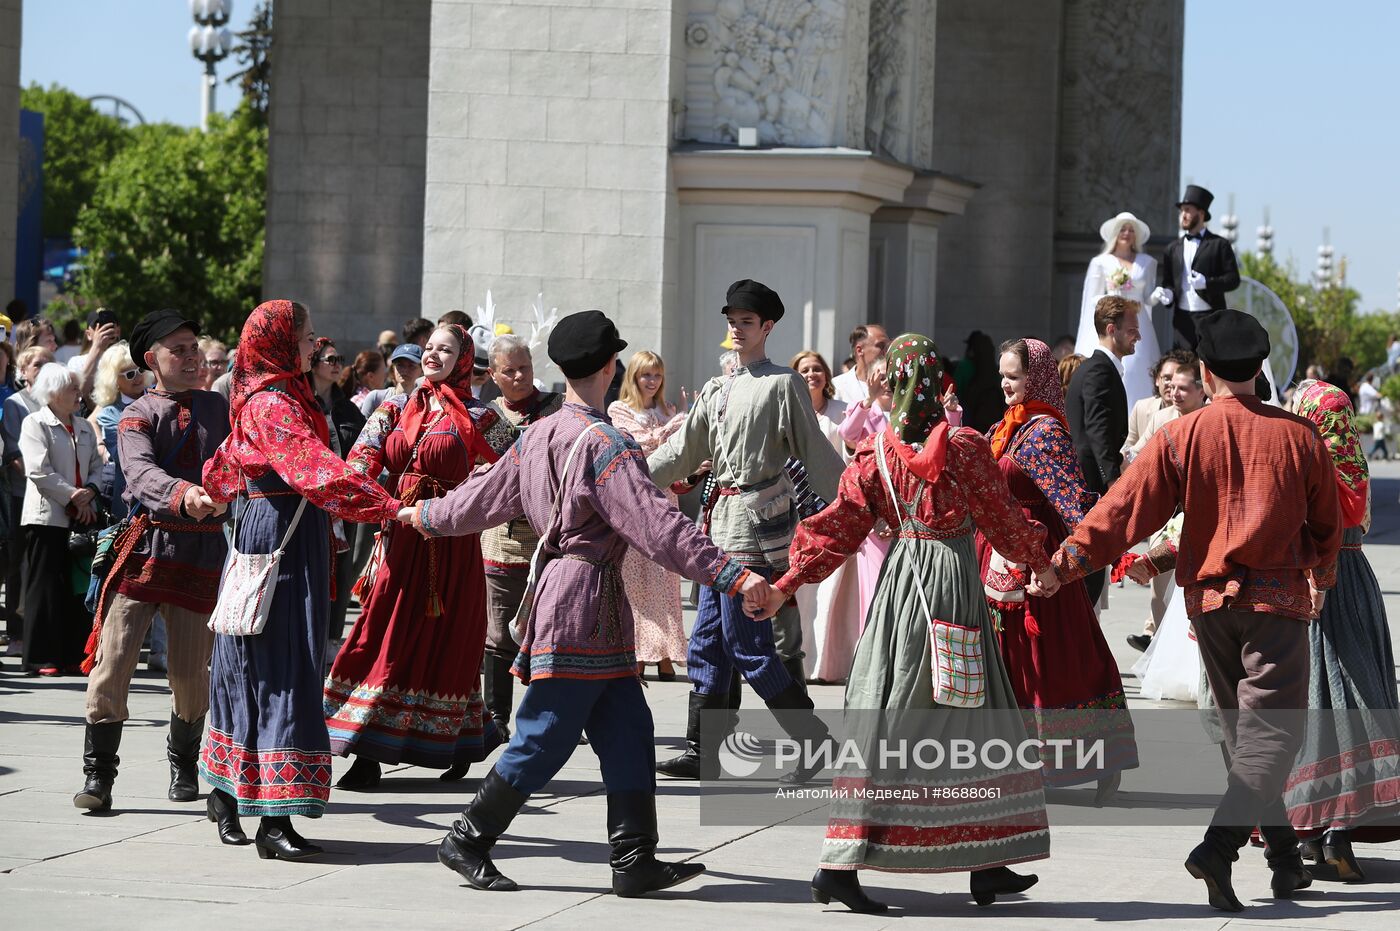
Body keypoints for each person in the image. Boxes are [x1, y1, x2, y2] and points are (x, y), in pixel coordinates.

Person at [399, 309, 771, 897]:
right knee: (544, 733)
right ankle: (468, 837)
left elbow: (479, 499)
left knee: (629, 730)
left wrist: (424, 515)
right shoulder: (603, 443)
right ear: (610, 365)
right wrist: (735, 576)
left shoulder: (540, 433)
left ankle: (634, 860)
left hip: (579, 600)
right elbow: (658, 528)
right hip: (582, 602)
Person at [1043, 309, 1342, 912]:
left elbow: (1123, 510)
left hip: (1207, 605)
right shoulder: (1299, 437)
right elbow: (1327, 527)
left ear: (1205, 372)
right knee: (1271, 738)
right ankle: (1219, 847)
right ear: (1260, 368)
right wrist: (1321, 577)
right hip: (1276, 604)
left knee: (1247, 738)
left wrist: (1066, 561)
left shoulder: (1180, 436)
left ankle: (1285, 861)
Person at [755, 333, 1057, 914]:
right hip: (950, 587)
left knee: (908, 722)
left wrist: (787, 584)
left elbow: (838, 525)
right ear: (936, 379)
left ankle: (986, 860)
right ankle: (839, 866)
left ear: (894, 383)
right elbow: (1001, 516)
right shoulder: (964, 445)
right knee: (958, 723)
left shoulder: (877, 452)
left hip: (901, 588)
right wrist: (1043, 564)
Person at [199, 300, 402, 861]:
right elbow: (316, 472)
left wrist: (209, 496)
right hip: (283, 538)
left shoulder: (268, 395)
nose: (316, 345)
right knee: (283, 663)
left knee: (255, 661)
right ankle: (273, 818)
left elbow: (223, 466)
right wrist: (391, 507)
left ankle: (227, 788)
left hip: (277, 532)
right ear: (281, 343)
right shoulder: (274, 401)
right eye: (308, 337)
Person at [648, 280, 844, 782]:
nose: (737, 329)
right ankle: (703, 748)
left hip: (755, 532)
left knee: (748, 644)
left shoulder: (782, 383)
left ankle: (813, 740)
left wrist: (853, 499)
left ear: (768, 327)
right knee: (707, 642)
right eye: (732, 320)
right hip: (714, 528)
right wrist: (625, 473)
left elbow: (815, 452)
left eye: (747, 321)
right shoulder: (716, 388)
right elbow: (683, 452)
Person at [325, 324, 513, 789]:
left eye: (445, 349)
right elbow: (361, 460)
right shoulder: (394, 405)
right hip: (399, 536)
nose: (433, 355)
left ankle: (456, 742)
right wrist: (358, 502)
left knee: (447, 640)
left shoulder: (477, 415)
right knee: (380, 633)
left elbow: (520, 468)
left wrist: (473, 497)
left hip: (450, 541)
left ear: (463, 360)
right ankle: (365, 750)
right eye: (429, 348)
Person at [73, 310, 232, 819]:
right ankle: (99, 777)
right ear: (151, 360)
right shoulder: (136, 415)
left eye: (194, 348)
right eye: (178, 350)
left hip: (203, 555)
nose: (191, 358)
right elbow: (138, 474)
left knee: (190, 676)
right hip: (145, 553)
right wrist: (185, 494)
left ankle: (184, 762)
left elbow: (242, 462)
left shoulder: (221, 408)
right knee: (112, 664)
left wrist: (228, 493)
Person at [980, 337, 1137, 796]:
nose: (1006, 384)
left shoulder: (1044, 432)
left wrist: (1112, 551)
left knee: (1060, 659)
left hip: (1041, 563)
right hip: (996, 557)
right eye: (1003, 375)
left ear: (1039, 378)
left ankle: (1101, 758)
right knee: (1006, 659)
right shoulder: (1004, 428)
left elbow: (1074, 503)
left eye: (1015, 376)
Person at [1280, 381, 1400, 877]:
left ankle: (1321, 832)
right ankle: (1336, 835)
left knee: (1316, 702)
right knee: (1356, 700)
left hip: (1315, 587)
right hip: (1358, 585)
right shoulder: (1354, 460)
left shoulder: (1303, 461)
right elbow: (1363, 525)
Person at [478, 333, 564, 739]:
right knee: (498, 635)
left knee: (549, 632)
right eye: (508, 370)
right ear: (494, 374)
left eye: (524, 367)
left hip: (548, 541)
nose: (518, 376)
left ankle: (553, 715)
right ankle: (496, 717)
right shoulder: (485, 415)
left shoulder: (557, 408)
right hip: (499, 541)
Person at [608, 350, 690, 679]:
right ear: (634, 377)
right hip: (635, 498)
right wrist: (677, 424)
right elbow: (637, 443)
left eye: (657, 374)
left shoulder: (669, 409)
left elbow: (679, 449)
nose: (652, 381)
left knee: (666, 577)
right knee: (635, 578)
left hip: (665, 496)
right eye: (646, 375)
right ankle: (638, 652)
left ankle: (667, 653)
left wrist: (677, 424)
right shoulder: (619, 409)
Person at [19, 363, 104, 675]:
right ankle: (42, 656)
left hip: (82, 516)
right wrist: (74, 497)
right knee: (45, 586)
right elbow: (38, 470)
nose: (77, 394)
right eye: (71, 388)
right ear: (53, 391)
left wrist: (89, 493)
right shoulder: (35, 424)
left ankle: (72, 654)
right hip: (47, 517)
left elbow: (97, 465)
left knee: (76, 587)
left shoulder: (82, 426)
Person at [788, 350, 860, 683]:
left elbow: (853, 453)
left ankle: (827, 667)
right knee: (802, 593)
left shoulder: (841, 411)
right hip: (798, 512)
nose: (812, 374)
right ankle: (800, 664)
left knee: (831, 595)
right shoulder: (790, 412)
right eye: (805, 370)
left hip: (835, 513)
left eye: (817, 369)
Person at [1065, 295, 1139, 603]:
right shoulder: (1098, 370)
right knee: (1088, 581)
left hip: (1090, 482)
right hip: (1090, 487)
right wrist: (1111, 480)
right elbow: (1096, 432)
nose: (1139, 336)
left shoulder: (1096, 368)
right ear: (1112, 329)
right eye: (1133, 329)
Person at [305, 338, 370, 648]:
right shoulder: (301, 401)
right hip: (310, 501)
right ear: (314, 362)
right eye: (330, 359)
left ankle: (332, 638)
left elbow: (366, 448)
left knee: (342, 568)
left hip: (343, 501)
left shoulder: (348, 408)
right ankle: (308, 633)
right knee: (313, 563)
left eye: (339, 359)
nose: (336, 364)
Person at [1074, 212, 1162, 408]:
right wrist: (1114, 295)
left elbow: (1147, 297)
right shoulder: (1101, 262)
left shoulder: (1146, 262)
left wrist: (1158, 296)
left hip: (1138, 320)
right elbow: (1092, 298)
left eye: (1131, 230)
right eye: (1123, 229)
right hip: (1112, 319)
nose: (1127, 233)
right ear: (1116, 232)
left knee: (1136, 367)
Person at [3, 345, 53, 647]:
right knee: (19, 564)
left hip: (55, 498)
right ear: (23, 371)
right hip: (24, 496)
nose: (43, 368)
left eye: (48, 363)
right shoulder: (15, 403)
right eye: (37, 364)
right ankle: (18, 632)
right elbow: (14, 452)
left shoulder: (58, 402)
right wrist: (42, 479)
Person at [1152, 185, 1240, 349]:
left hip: (1210, 317)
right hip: (1182, 319)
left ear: (1201, 213)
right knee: (1184, 367)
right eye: (1181, 211)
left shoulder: (1219, 245)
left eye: (1187, 210)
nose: (1183, 215)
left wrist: (1207, 282)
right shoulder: (1172, 248)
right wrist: (1168, 293)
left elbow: (1233, 280)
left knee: (1209, 365)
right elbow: (1169, 281)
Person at [89, 342, 149, 521]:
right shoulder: (109, 414)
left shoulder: (157, 397)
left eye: (139, 370)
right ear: (114, 380)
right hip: (129, 498)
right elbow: (124, 457)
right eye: (130, 374)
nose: (137, 377)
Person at [952, 330, 1005, 433]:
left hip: (969, 424)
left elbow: (955, 390)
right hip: (995, 427)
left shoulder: (965, 366)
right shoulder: (997, 372)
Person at [67, 308, 124, 403]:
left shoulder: (127, 357)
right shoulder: (76, 362)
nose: (104, 330)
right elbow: (79, 393)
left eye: (109, 326)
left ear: (118, 331)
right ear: (89, 334)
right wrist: (97, 347)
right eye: (99, 326)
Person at [831, 324, 889, 406]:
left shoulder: (894, 386)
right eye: (881, 346)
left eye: (888, 347)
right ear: (860, 350)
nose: (887, 351)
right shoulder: (836, 387)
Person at [358, 343, 422, 417]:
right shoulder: (375, 398)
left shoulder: (426, 402)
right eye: (400, 365)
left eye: (411, 366)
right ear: (393, 368)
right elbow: (362, 428)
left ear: (422, 370)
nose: (405, 370)